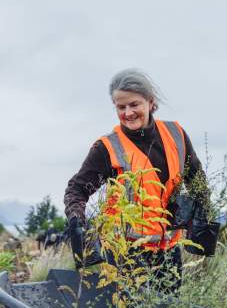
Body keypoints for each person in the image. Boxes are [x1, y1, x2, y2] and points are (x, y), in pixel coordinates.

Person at [64, 69, 207, 287]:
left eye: (134, 104)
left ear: (150, 102)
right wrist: (76, 220)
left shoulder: (176, 135)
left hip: (169, 252)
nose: (128, 113)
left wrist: (202, 214)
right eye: (121, 107)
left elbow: (196, 178)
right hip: (125, 255)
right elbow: (77, 189)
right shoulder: (108, 147)